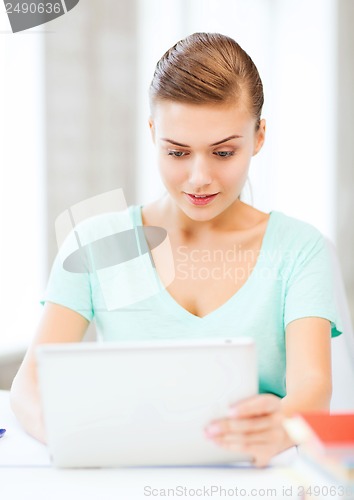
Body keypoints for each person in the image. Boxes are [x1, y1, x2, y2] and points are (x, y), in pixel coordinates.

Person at [10, 32, 342, 467]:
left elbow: (312, 387)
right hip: (120, 476)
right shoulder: (95, 243)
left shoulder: (300, 250)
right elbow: (28, 386)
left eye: (223, 152)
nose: (199, 178)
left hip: (256, 479)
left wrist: (282, 424)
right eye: (177, 152)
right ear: (153, 133)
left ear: (259, 136)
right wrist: (71, 437)